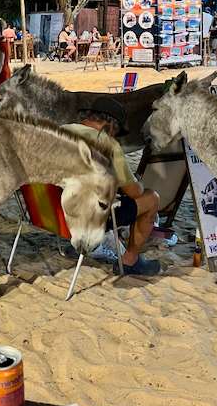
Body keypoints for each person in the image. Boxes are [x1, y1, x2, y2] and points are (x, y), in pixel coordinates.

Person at [62, 97, 161, 276]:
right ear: (111, 125)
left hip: (56, 215)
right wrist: (137, 182)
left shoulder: (60, 131)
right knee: (151, 198)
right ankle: (130, 261)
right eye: (116, 132)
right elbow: (134, 192)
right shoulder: (106, 144)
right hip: (88, 220)